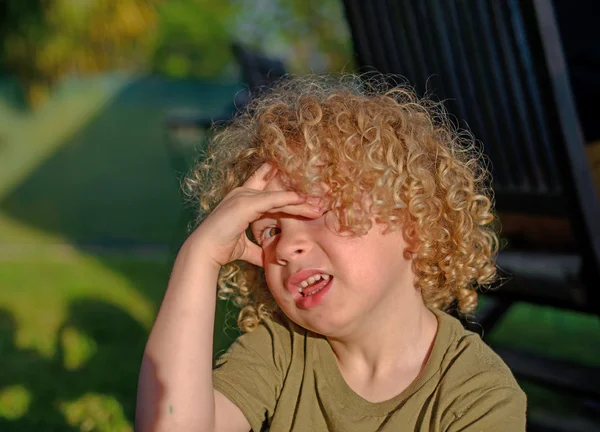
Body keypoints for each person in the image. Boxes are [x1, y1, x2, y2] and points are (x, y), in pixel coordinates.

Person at [135, 74, 527, 431]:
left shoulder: (477, 393)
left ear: (414, 218)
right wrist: (199, 256)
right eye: (269, 230)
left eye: (319, 208)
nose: (287, 246)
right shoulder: (280, 350)